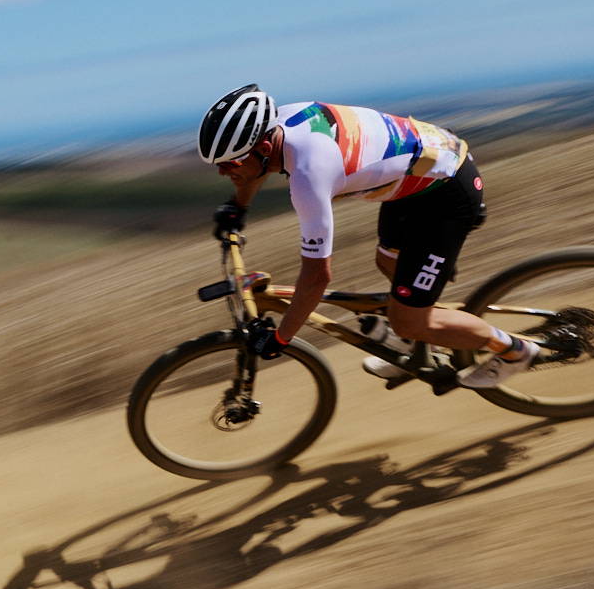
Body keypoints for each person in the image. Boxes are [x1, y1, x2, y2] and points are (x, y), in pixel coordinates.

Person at [198, 83, 537, 388]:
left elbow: (316, 277)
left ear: (264, 144)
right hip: (419, 175)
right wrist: (237, 208)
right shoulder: (281, 124)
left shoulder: (309, 174)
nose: (223, 171)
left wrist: (282, 338)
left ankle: (514, 350)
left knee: (408, 320)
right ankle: (419, 343)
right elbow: (253, 170)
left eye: (231, 163)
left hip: (446, 193)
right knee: (387, 260)